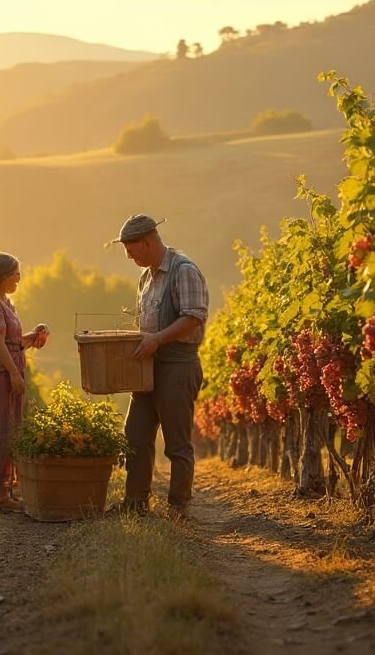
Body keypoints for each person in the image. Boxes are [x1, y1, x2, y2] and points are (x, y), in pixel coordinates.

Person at [109, 215, 208, 520]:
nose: (129, 256)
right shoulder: (147, 277)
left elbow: (193, 317)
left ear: (148, 242)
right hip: (148, 366)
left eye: (131, 249)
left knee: (177, 442)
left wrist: (156, 341)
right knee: (135, 435)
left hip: (178, 365)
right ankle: (136, 503)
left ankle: (179, 506)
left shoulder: (184, 270)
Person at [0, 252, 49, 512]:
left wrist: (32, 338)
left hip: (3, 370)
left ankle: (1, 491)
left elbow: (11, 343)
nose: (19, 278)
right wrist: (14, 374)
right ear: (5, 277)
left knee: (8, 428)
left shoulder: (4, 301)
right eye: (16, 273)